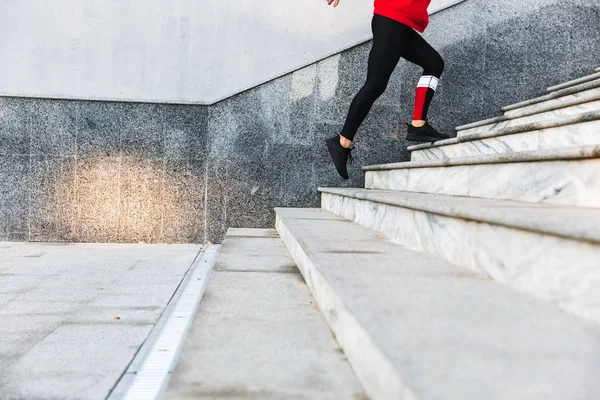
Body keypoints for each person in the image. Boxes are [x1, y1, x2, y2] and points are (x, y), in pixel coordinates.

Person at [326, 0, 449, 180]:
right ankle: (342, 142)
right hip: (391, 19)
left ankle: (419, 125)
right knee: (375, 84)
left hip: (398, 21)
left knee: (434, 63)